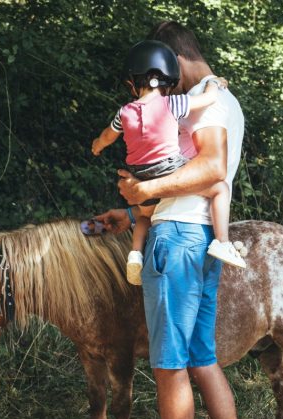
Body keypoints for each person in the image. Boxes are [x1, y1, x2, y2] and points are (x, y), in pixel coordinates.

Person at [95, 21, 261, 419]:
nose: (160, 89)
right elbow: (188, 179)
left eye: (163, 75)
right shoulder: (222, 99)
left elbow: (210, 169)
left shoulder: (207, 96)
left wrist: (144, 190)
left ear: (171, 60)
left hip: (179, 243)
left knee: (169, 365)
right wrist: (133, 212)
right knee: (200, 358)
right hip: (202, 234)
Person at [91, 40, 245, 285]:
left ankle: (135, 254)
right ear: (169, 80)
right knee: (220, 188)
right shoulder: (172, 103)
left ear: (132, 84)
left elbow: (108, 136)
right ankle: (223, 241)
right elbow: (206, 100)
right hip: (167, 169)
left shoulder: (124, 111)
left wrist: (97, 145)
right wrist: (214, 83)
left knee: (146, 214)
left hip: (138, 171)